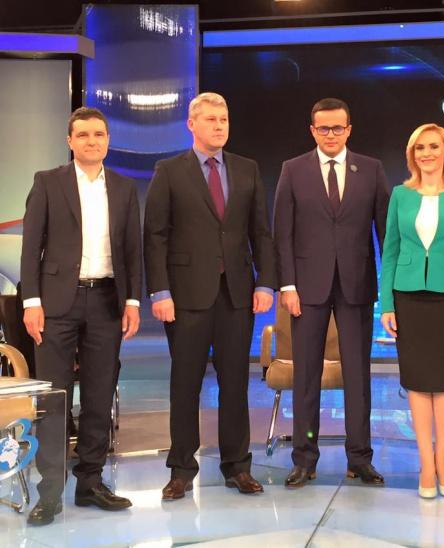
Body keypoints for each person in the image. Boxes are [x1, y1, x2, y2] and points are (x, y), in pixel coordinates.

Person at [144, 92, 276, 499]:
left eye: (224, 119)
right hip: (185, 295)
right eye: (211, 119)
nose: (219, 126)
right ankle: (181, 469)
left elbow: (260, 232)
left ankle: (237, 466)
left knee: (235, 383)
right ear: (192, 124)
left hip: (236, 294)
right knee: (185, 384)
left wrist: (265, 282)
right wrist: (160, 291)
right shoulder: (169, 171)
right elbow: (155, 236)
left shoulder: (247, 169)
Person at [20, 107, 142, 524]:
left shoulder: (124, 187)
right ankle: (50, 493)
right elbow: (31, 246)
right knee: (54, 399)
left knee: (98, 396)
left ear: (108, 140)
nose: (92, 141)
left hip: (107, 301)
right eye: (84, 134)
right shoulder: (47, 182)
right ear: (70, 141)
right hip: (57, 304)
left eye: (99, 134)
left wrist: (133, 302)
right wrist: (31, 302)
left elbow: (132, 250)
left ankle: (90, 483)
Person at [273, 97, 389, 487]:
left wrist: (390, 288)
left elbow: (385, 234)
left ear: (349, 129)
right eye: (323, 128)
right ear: (312, 131)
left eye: (337, 127)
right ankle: (304, 459)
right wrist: (287, 285)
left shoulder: (371, 170)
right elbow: (282, 233)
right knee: (306, 376)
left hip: (357, 287)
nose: (331, 134)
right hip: (306, 289)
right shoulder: (292, 170)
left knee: (358, 375)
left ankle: (360, 458)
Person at [380, 123, 444, 499]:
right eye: (420, 147)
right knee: (418, 381)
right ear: (412, 154)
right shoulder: (400, 195)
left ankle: (443, 462)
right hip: (408, 297)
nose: (426, 153)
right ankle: (426, 463)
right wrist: (386, 303)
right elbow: (390, 250)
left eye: (434, 146)